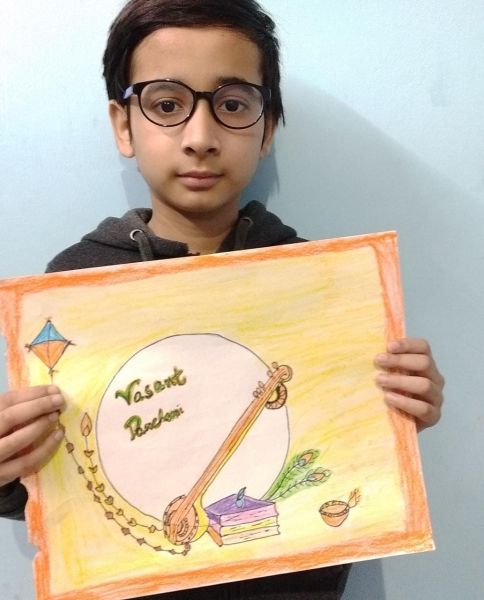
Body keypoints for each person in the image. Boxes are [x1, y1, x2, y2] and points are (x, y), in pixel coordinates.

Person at [0, 1, 445, 598]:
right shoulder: (73, 285)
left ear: (267, 127)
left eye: (233, 105)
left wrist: (397, 412)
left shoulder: (323, 289)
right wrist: (10, 468)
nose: (201, 138)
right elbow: (62, 493)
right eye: (166, 105)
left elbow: (341, 454)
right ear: (123, 125)